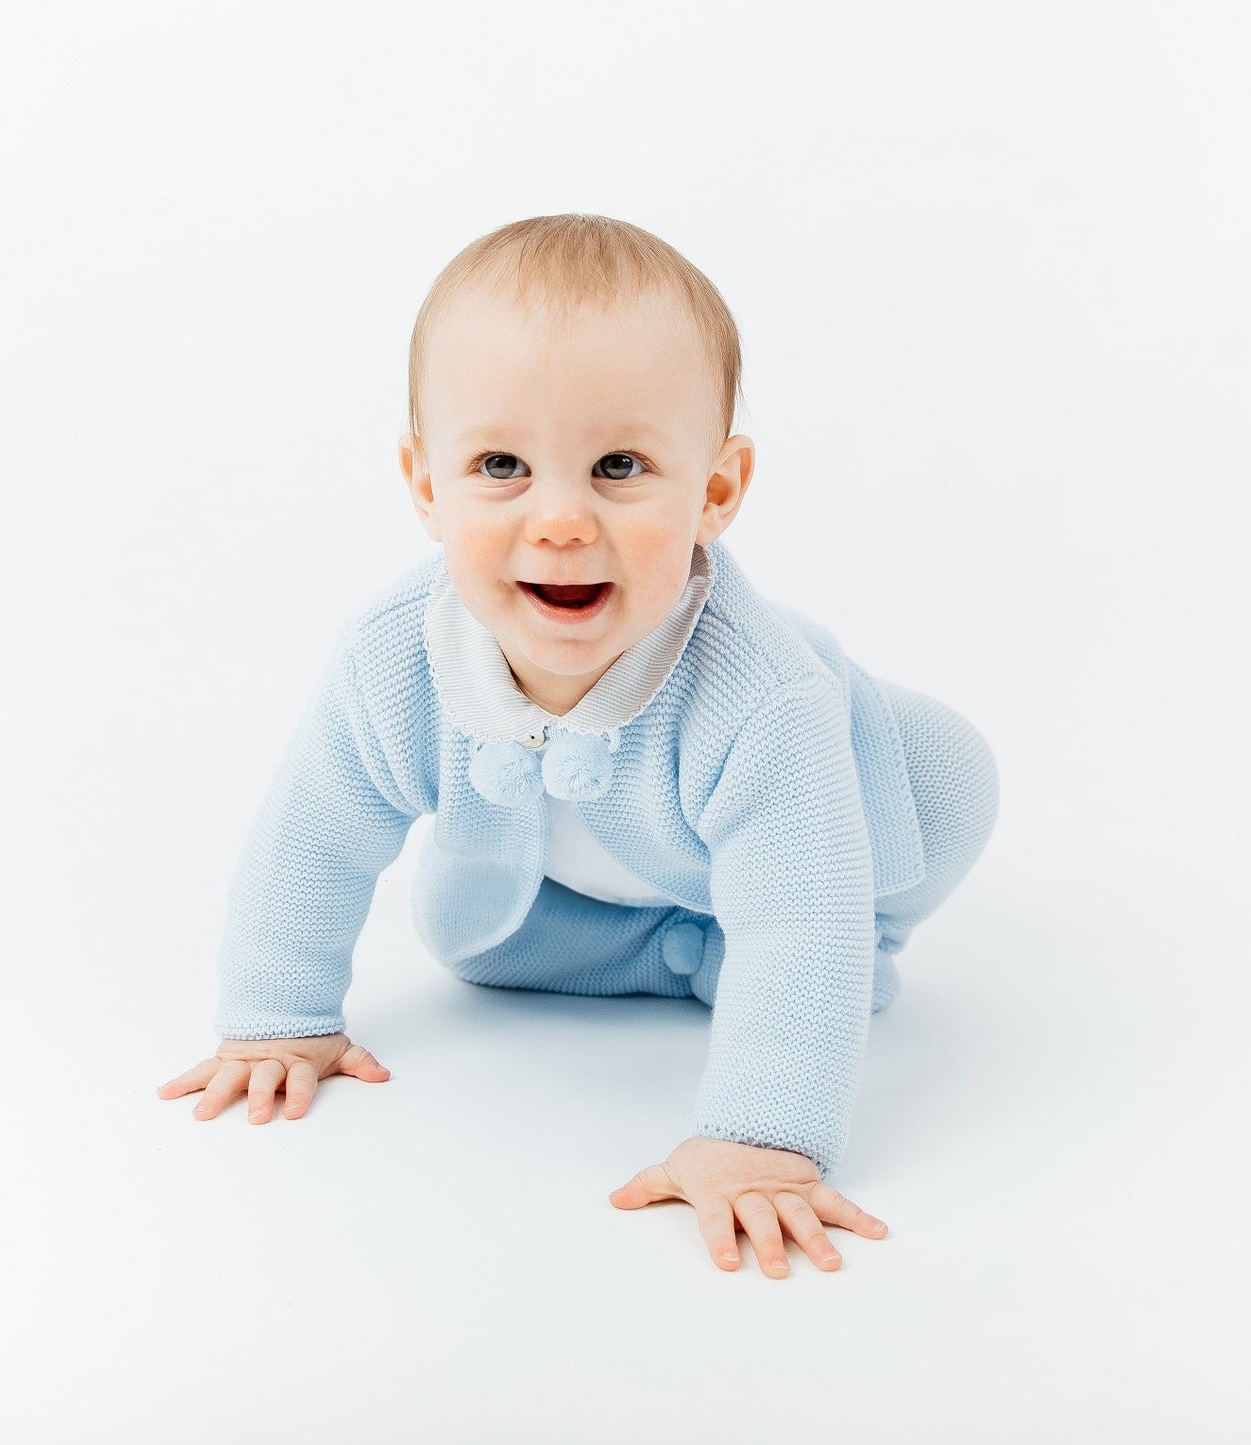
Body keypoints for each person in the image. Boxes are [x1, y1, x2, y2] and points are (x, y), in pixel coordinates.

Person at [158, 214, 1000, 1277]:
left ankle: (775, 946)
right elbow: (314, 834)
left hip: (822, 836)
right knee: (479, 945)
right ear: (426, 486)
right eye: (500, 463)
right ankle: (672, 951)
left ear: (716, 491)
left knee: (946, 780)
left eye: (618, 465)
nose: (558, 519)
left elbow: (797, 924)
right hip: (560, 878)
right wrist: (277, 1015)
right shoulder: (391, 657)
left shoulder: (764, 695)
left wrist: (758, 1135)